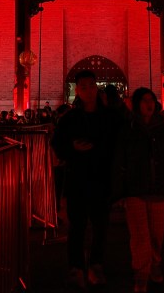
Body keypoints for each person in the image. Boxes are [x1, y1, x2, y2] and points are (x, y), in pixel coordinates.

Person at [51, 69, 124, 290]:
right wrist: (72, 148)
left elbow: (119, 145)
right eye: (83, 87)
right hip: (78, 181)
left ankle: (96, 264)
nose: (88, 90)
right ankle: (76, 267)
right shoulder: (70, 118)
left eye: (91, 85)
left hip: (102, 179)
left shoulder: (111, 117)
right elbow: (58, 145)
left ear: (97, 87)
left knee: (101, 226)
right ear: (77, 90)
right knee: (77, 227)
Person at [111, 86, 164, 293]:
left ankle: (156, 262)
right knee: (139, 235)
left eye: (151, 100)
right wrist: (119, 193)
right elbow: (119, 161)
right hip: (135, 190)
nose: (149, 104)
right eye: (144, 100)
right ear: (136, 104)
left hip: (159, 189)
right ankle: (141, 274)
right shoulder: (127, 129)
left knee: (156, 234)